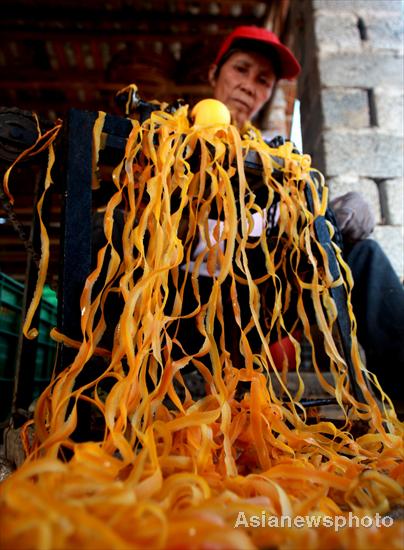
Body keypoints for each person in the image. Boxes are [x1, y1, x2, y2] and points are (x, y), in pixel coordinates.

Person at [202, 25, 404, 399]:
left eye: (263, 80)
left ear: (267, 95)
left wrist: (336, 216)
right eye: (240, 69)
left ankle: (400, 390)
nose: (249, 85)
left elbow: (298, 223)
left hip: (258, 305)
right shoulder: (167, 136)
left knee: (364, 255)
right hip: (184, 298)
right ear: (215, 73)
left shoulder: (276, 159)